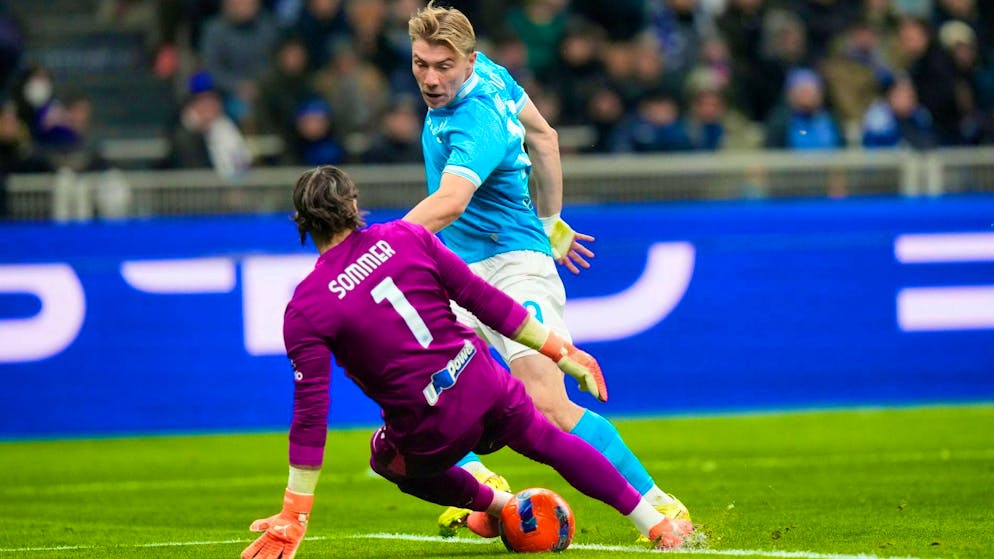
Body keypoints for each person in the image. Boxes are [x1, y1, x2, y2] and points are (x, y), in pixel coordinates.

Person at [240, 166, 692, 559]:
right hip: (484, 383)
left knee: (386, 460)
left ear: (301, 221)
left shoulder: (306, 308)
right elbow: (484, 300)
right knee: (548, 439)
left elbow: (311, 415)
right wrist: (561, 351)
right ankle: (656, 524)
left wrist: (295, 512)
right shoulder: (406, 235)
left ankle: (498, 505)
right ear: (353, 204)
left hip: (431, 424)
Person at [401, 2, 692, 539]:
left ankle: (660, 506)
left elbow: (451, 201)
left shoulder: (476, 119)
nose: (431, 79)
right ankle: (488, 496)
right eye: (421, 64)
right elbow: (544, 136)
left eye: (444, 67)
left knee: (547, 405)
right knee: (421, 395)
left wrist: (378, 247)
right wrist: (552, 219)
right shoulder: (493, 72)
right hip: (458, 275)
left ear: (468, 61)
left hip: (511, 269)